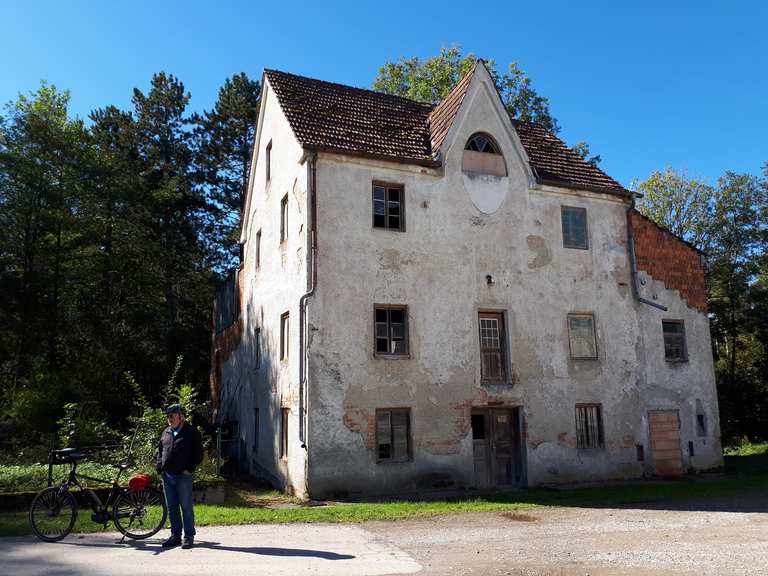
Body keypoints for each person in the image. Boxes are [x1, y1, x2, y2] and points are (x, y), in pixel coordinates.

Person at [156, 403, 203, 549]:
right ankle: (175, 536)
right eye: (168, 416)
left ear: (181, 416)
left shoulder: (191, 432)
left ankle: (188, 536)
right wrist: (159, 467)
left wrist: (189, 469)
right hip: (167, 476)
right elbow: (159, 450)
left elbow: (198, 453)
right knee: (172, 508)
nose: (169, 418)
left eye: (172, 415)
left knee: (186, 507)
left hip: (183, 476)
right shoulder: (166, 432)